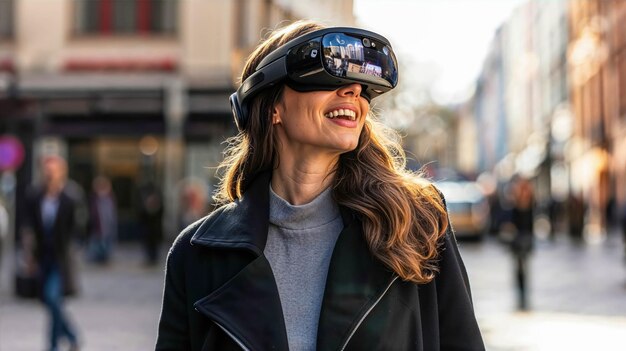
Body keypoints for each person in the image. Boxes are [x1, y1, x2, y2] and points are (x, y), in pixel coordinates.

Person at [156, 21, 484, 350]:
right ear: (273, 106)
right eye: (330, 75)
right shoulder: (196, 254)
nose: (353, 91)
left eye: (361, 85)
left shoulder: (416, 221)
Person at [23, 155, 80, 351]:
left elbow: (78, 228)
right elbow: (28, 227)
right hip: (42, 257)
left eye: (53, 172)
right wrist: (29, 255)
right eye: (46, 172)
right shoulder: (34, 196)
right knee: (49, 301)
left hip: (61, 259)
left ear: (61, 173)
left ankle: (53, 346)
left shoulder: (70, 197)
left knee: (53, 298)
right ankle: (72, 334)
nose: (49, 175)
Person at [509, 175, 535, 311]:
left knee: (524, 269)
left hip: (525, 241)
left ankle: (524, 294)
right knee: (518, 269)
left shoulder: (531, 204)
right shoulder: (515, 204)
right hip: (517, 241)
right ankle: (520, 294)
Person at [86, 176, 117, 264]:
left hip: (108, 228)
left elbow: (112, 215)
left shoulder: (110, 198)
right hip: (96, 228)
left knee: (106, 248)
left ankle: (104, 258)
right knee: (96, 248)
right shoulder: (93, 199)